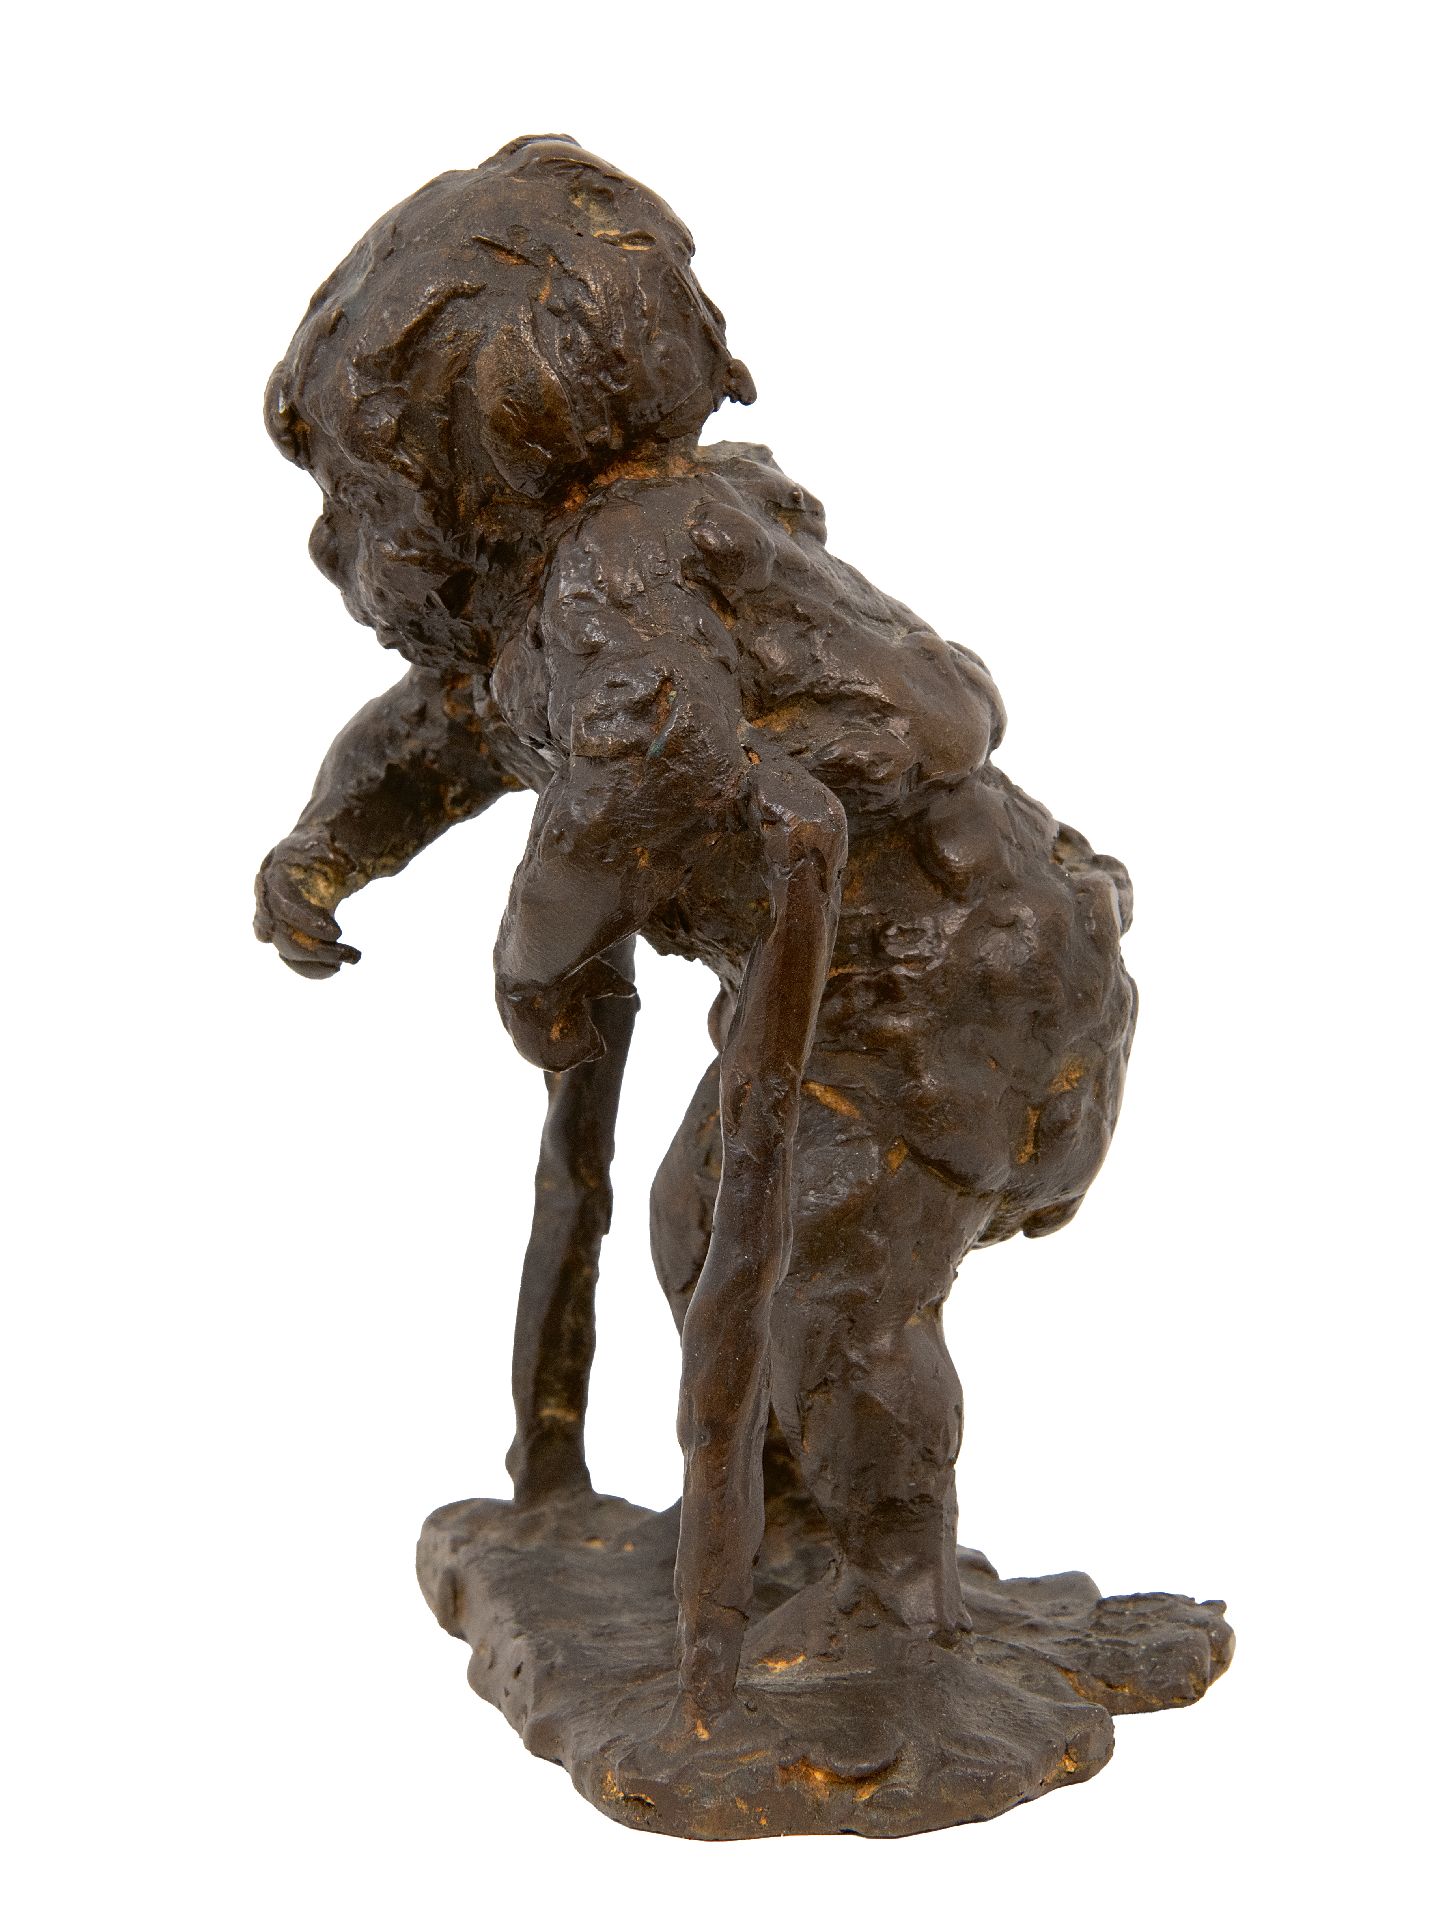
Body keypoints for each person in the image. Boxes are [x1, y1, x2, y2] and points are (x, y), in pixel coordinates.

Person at [255, 135, 1136, 1735]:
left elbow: (628, 785)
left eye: (355, 499)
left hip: (950, 973)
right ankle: (802, 1526)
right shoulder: (565, 594)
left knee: (823, 1279)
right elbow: (448, 733)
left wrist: (536, 967)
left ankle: (896, 1601)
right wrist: (329, 849)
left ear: (448, 474)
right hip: (883, 974)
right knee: (714, 1231)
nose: (341, 544)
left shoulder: (627, 568)